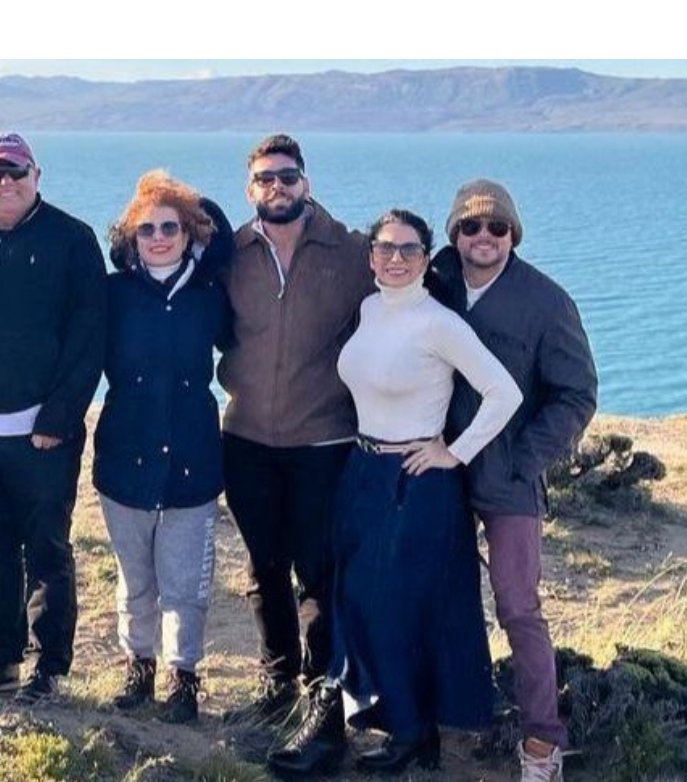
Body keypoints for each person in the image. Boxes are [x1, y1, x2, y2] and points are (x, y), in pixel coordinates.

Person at [268, 209, 522, 777]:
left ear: (428, 257)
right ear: (371, 256)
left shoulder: (439, 323)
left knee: (396, 605)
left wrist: (452, 453)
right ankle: (387, 718)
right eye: (386, 248)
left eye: (409, 249)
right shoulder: (369, 308)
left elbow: (502, 393)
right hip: (362, 471)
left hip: (416, 480)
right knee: (355, 598)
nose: (396, 258)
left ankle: (410, 731)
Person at [431, 181, 597, 782]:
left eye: (497, 228)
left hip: (508, 478)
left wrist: (525, 459)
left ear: (513, 235)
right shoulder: (435, 283)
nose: (484, 238)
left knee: (518, 607)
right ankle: (452, 717)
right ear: (454, 233)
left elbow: (577, 393)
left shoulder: (545, 302)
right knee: (440, 601)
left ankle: (541, 742)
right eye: (471, 228)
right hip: (442, 470)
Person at [0, 132, 107, 703]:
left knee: (47, 552)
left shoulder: (73, 240)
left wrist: (59, 418)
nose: (6, 183)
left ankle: (49, 667)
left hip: (43, 437)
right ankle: (1, 657)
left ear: (38, 175)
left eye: (17, 172)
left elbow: (90, 337)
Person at [217, 133, 374, 726]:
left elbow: (405, 293)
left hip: (324, 440)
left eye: (287, 177)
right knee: (264, 566)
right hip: (247, 438)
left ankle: (322, 684)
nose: (276, 187)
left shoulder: (352, 251)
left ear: (306, 181)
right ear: (249, 188)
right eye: (264, 179)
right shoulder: (230, 255)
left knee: (318, 568)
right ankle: (277, 676)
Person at [95, 171, 234, 724]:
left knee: (185, 583)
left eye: (170, 226)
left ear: (187, 233)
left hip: (193, 457)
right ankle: (139, 667)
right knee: (135, 578)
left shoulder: (209, 296)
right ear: (131, 237)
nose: (158, 236)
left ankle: (183, 677)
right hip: (123, 456)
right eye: (147, 227)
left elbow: (221, 235)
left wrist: (192, 203)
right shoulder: (113, 295)